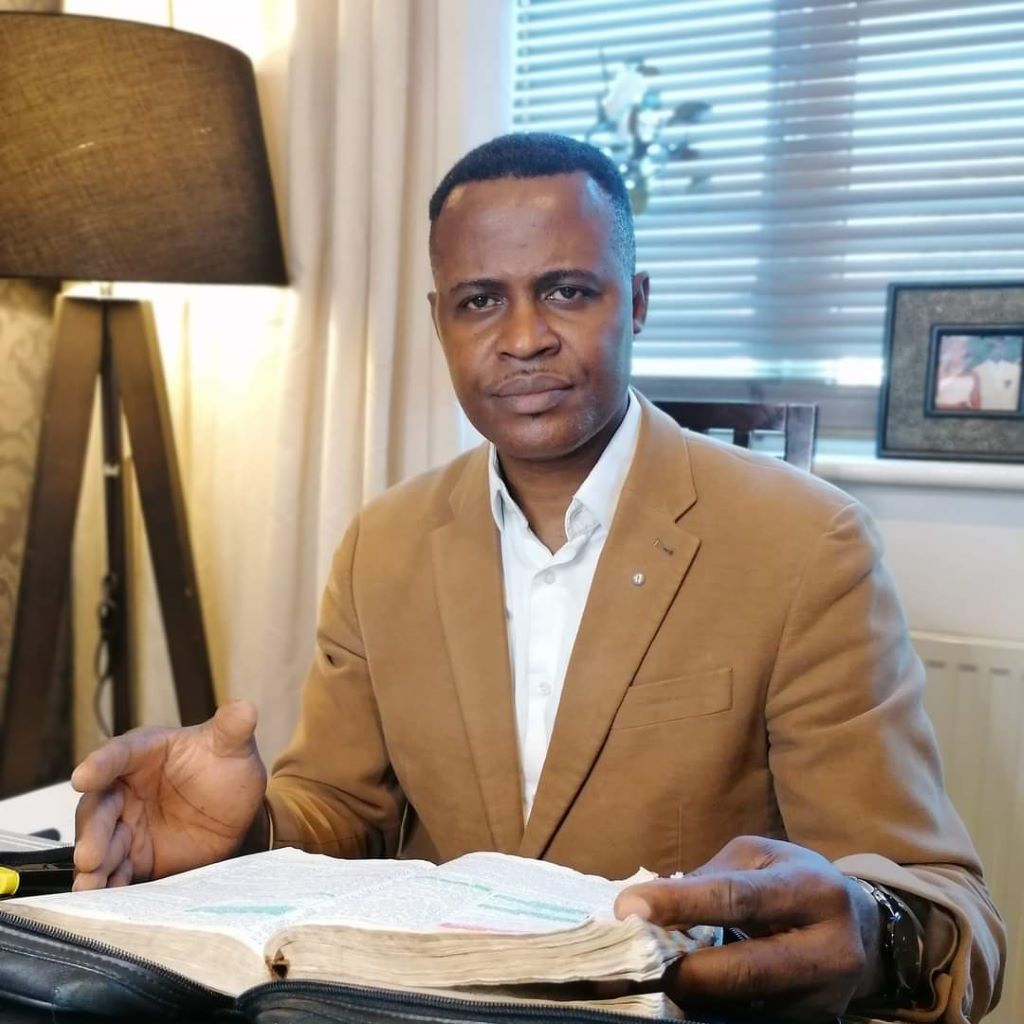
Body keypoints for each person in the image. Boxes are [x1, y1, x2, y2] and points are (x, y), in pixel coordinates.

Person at [72, 133, 1004, 1022]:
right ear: (439, 320)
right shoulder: (382, 544)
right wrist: (247, 832)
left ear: (636, 302)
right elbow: (346, 813)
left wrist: (874, 934)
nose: (523, 338)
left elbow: (938, 904)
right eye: (480, 300)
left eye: (565, 291)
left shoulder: (806, 543)